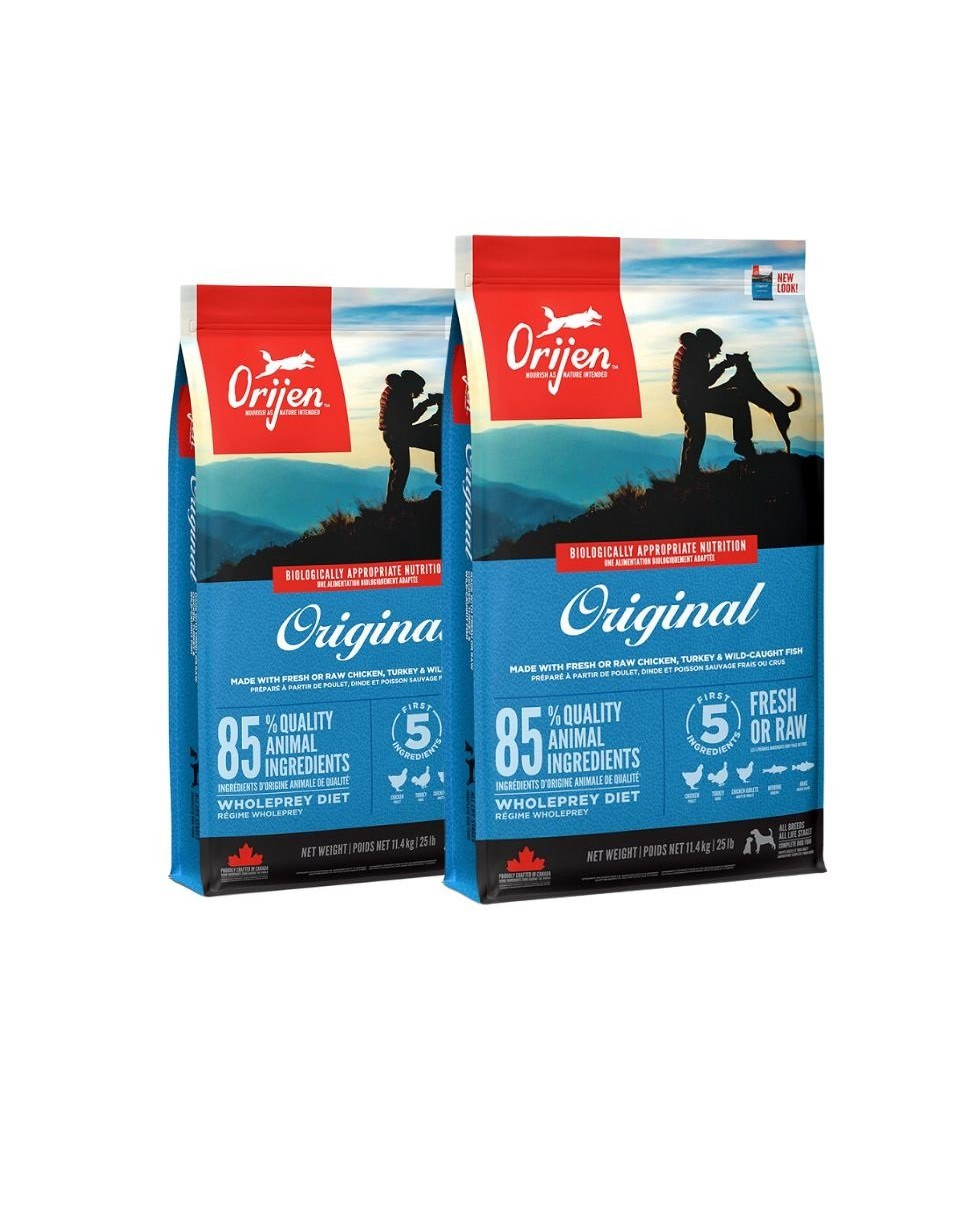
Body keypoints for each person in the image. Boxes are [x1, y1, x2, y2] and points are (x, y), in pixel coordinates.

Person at [672, 329, 757, 478]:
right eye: (716, 348)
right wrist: (722, 367)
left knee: (694, 435)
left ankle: (687, 473)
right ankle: (743, 444)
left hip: (687, 398)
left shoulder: (689, 350)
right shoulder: (696, 355)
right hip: (693, 398)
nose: (718, 352)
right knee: (737, 402)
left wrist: (721, 368)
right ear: (708, 345)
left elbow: (700, 382)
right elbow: (705, 381)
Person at [379, 370, 442, 508]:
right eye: (419, 388)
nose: (421, 391)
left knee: (398, 467)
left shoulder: (395, 390)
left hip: (391, 433)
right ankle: (395, 502)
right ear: (411, 384)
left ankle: (392, 502)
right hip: (397, 434)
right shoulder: (401, 394)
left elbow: (405, 421)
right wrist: (424, 406)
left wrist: (426, 411)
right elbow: (408, 420)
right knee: (402, 467)